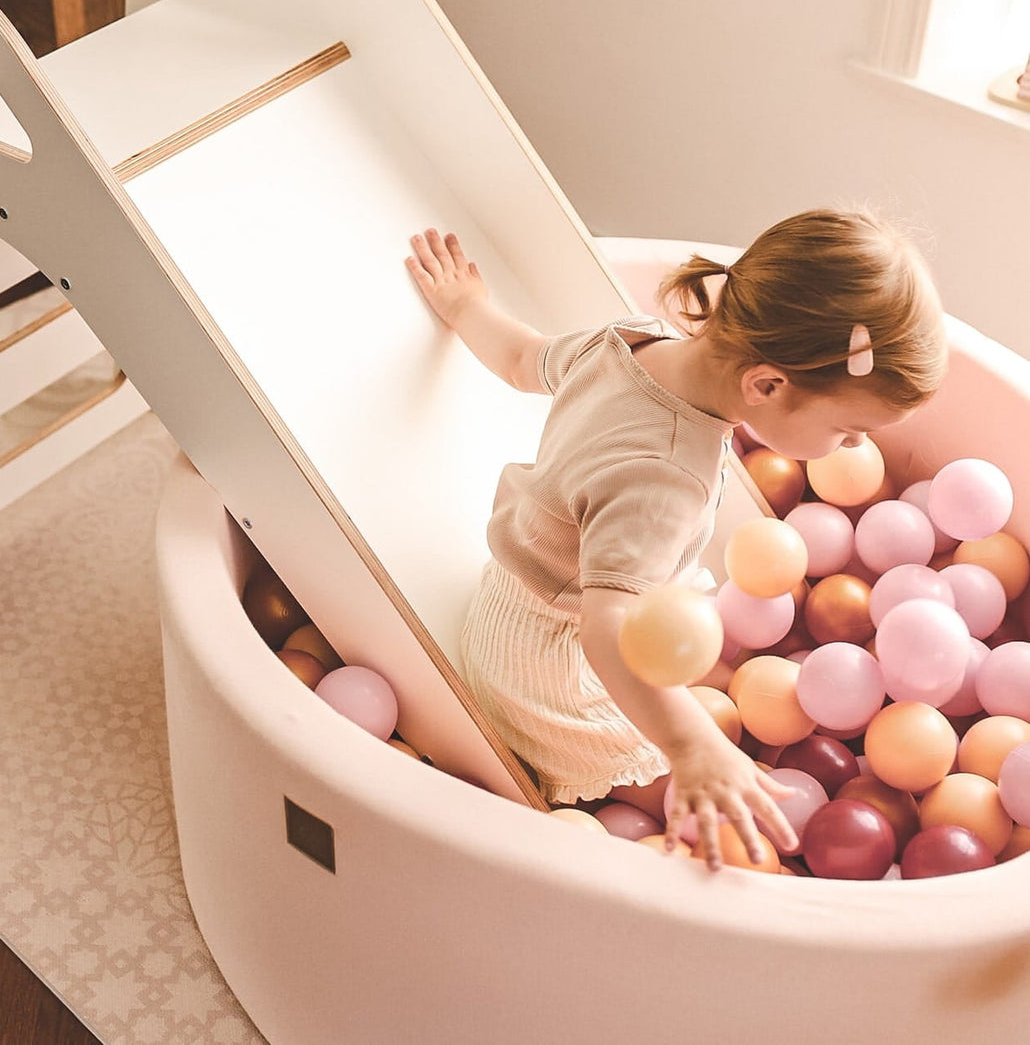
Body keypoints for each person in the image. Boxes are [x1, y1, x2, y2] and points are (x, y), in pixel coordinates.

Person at [405, 210, 946, 871]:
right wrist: (691, 750)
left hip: (529, 599)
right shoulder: (664, 476)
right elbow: (610, 633)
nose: (860, 446)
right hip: (551, 666)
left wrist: (465, 307)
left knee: (718, 694)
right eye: (850, 429)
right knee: (694, 797)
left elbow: (522, 358)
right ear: (768, 385)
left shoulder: (633, 339)